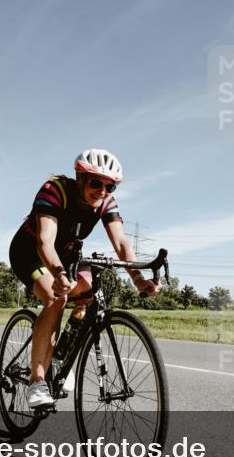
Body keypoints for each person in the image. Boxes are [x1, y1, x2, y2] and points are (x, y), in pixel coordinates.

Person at [8, 149, 159, 409]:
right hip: (30, 252)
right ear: (80, 178)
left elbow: (121, 242)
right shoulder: (55, 190)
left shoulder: (106, 202)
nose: (102, 191)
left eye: (110, 186)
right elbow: (45, 241)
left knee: (89, 296)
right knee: (56, 298)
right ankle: (37, 380)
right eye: (96, 183)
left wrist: (138, 278)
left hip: (67, 255)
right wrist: (57, 274)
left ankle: (59, 358)